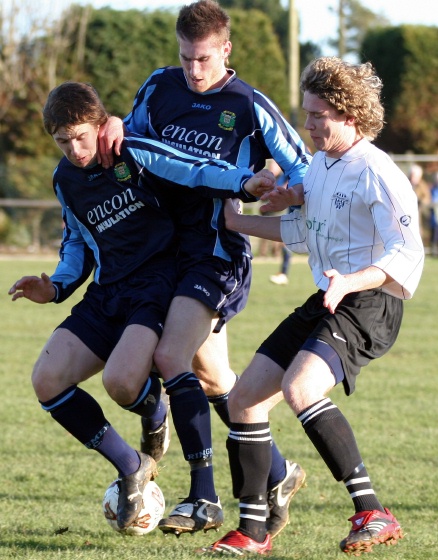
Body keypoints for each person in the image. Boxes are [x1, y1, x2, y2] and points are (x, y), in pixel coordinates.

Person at [8, 81, 276, 530]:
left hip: (157, 284)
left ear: (99, 125)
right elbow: (78, 240)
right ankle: (132, 464)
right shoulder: (64, 179)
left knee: (124, 382)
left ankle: (160, 415)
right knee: (46, 380)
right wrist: (54, 286)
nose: (74, 149)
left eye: (81, 137)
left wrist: (244, 184)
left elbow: (195, 169)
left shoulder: (133, 151)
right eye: (62, 141)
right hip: (107, 290)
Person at [99, 0, 311, 538]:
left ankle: (203, 497)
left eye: (205, 59)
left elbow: (306, 170)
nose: (194, 71)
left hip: (217, 253)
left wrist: (285, 193)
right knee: (214, 378)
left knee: (171, 357)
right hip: (163, 250)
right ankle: (280, 475)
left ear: (226, 50)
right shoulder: (158, 86)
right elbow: (135, 145)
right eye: (186, 58)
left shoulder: (249, 105)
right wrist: (117, 125)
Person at [199, 57, 425, 556]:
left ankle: (373, 512)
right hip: (328, 295)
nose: (307, 125)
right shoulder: (320, 165)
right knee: (244, 399)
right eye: (305, 113)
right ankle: (254, 531)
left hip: (370, 301)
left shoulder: (379, 173)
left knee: (300, 388)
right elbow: (301, 233)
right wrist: (239, 224)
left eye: (317, 115)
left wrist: (351, 281)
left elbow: (408, 253)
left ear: (349, 115)